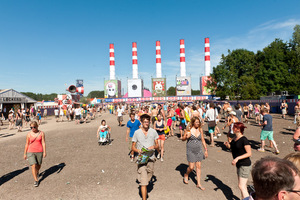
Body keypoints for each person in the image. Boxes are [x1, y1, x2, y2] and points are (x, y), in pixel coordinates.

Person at [131, 114, 159, 200]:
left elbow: (157, 145)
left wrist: (153, 147)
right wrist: (138, 150)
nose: (147, 124)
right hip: (141, 158)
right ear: (142, 122)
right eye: (145, 122)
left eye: (148, 122)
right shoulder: (137, 132)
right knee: (144, 182)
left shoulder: (153, 131)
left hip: (151, 157)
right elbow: (132, 147)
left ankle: (145, 183)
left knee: (149, 175)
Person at [224, 122, 252, 199]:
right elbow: (232, 147)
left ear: (238, 129)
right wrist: (228, 145)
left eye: (234, 127)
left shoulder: (244, 140)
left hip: (245, 164)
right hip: (239, 164)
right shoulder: (235, 139)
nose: (232, 128)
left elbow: (249, 153)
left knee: (241, 186)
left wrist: (237, 158)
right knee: (242, 186)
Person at [182, 117, 208, 190]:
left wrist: (206, 149)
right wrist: (186, 137)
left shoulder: (200, 129)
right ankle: (186, 174)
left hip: (199, 150)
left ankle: (198, 183)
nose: (198, 124)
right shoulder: (189, 130)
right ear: (193, 122)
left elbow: (203, 140)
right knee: (191, 167)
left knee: (198, 166)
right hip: (190, 150)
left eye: (198, 122)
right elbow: (183, 139)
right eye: (196, 122)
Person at [24, 121, 46, 187]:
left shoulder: (41, 133)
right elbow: (27, 144)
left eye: (34, 127)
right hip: (30, 151)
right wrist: (25, 153)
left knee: (38, 165)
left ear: (37, 126)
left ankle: (37, 171)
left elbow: (43, 143)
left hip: (39, 151)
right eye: (31, 127)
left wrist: (44, 152)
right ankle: (36, 180)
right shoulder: (28, 134)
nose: (33, 128)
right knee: (33, 165)